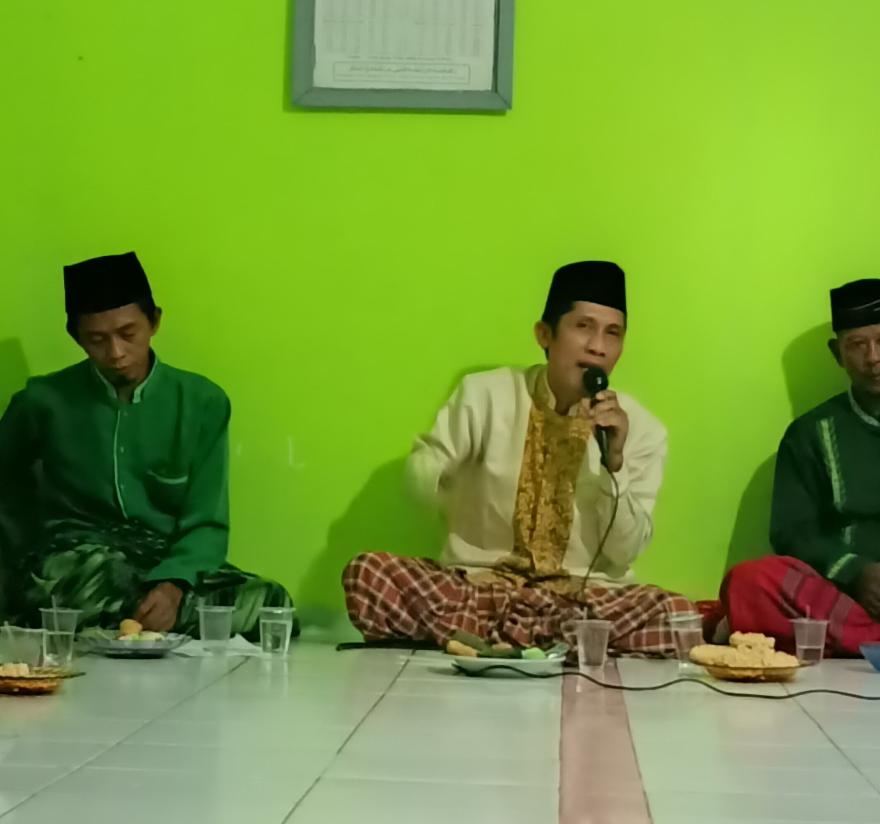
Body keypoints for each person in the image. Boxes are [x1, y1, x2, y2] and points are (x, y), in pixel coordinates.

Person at [343, 261, 697, 655]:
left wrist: (614, 464)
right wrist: (437, 475)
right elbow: (423, 471)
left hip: (580, 601)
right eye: (584, 326)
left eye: (612, 333)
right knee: (368, 574)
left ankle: (498, 638)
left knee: (675, 614)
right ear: (545, 334)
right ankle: (548, 642)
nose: (598, 346)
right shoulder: (485, 395)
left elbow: (624, 552)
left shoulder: (641, 430)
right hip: (481, 589)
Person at [0, 251, 294, 637]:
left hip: (161, 560)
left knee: (271, 603)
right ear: (76, 337)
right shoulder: (43, 401)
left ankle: (128, 618)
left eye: (128, 334)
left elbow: (206, 521)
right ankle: (146, 620)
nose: (116, 353)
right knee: (79, 577)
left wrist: (173, 585)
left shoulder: (202, 402)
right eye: (97, 340)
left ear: (154, 321)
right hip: (81, 559)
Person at [722, 279, 880, 655]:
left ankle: (857, 643)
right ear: (837, 354)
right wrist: (856, 572)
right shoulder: (811, 433)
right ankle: (863, 639)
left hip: (845, 623)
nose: (873, 357)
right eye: (857, 345)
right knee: (750, 581)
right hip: (846, 600)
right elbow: (793, 533)